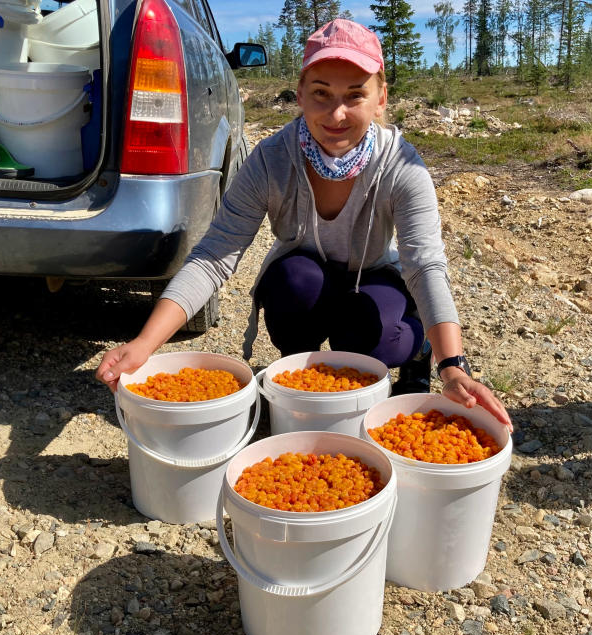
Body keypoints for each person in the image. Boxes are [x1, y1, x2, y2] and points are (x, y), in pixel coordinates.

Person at [96, 19, 512, 430]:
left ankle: (418, 348)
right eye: (321, 94)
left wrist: (452, 366)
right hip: (305, 277)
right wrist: (145, 345)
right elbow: (212, 258)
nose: (337, 113)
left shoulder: (402, 167)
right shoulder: (271, 160)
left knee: (375, 335)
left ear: (381, 98)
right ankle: (299, 377)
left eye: (355, 95)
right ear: (299, 95)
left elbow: (424, 266)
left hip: (372, 276)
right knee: (293, 283)